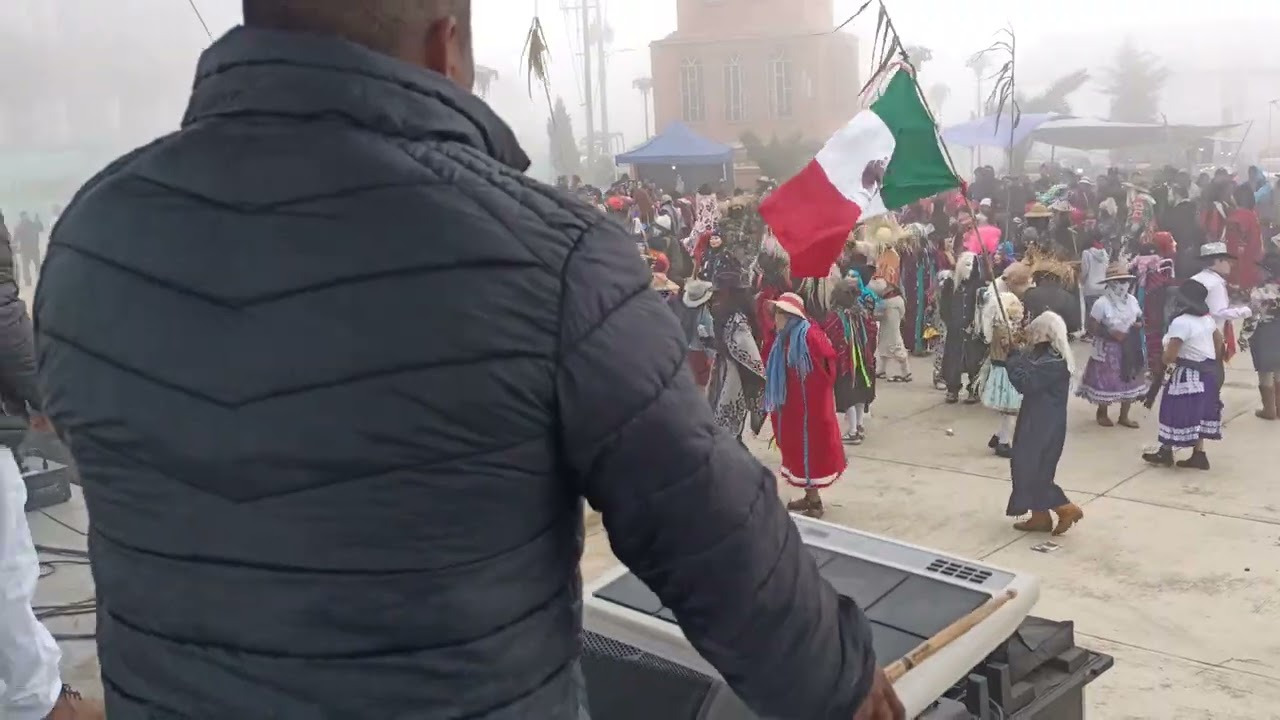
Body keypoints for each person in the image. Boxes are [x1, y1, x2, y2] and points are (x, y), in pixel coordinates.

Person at [34, 3, 902, 718]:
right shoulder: (554, 258)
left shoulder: (92, 240)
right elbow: (707, 526)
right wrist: (843, 685)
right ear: (445, 45)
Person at [765, 292, 847, 519]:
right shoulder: (783, 337)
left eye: (780, 313)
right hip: (791, 408)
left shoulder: (809, 336)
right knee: (798, 450)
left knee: (811, 450)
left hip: (809, 409)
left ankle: (815, 503)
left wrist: (811, 393)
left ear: (790, 315)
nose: (776, 317)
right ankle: (810, 497)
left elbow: (827, 366)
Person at [1005, 311, 1083, 535]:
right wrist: (1016, 352)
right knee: (1033, 468)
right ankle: (1040, 517)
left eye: (1035, 331)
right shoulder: (1048, 355)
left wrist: (1012, 360)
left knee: (1030, 468)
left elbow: (1026, 382)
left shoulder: (1053, 361)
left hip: (1042, 423)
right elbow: (1027, 363)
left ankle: (1065, 507)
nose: (1031, 335)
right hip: (1040, 418)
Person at [1143, 280, 1225, 470]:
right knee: (1199, 415)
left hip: (1188, 375)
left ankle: (1166, 451)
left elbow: (1170, 355)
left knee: (1173, 411)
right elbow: (1219, 344)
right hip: (1208, 374)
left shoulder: (1181, 322)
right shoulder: (1207, 319)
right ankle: (1199, 454)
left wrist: (1161, 361)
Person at [1076, 264, 1149, 428]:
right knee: (1107, 380)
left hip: (1130, 346)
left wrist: (1138, 325)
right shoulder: (1101, 303)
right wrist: (1111, 333)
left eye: (1125, 281)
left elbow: (1140, 318)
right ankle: (1102, 413)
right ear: (1111, 283)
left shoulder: (1132, 300)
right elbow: (1092, 326)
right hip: (1109, 348)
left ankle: (1124, 416)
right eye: (1119, 281)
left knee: (1130, 378)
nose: (1123, 285)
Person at [707, 271, 766, 442]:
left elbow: (745, 351)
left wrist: (718, 345)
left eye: (719, 293)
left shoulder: (737, 319)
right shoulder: (727, 314)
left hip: (736, 371)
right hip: (725, 367)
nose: (715, 296)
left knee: (728, 410)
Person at [821, 275, 877, 445]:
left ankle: (852, 431)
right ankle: (859, 426)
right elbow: (872, 334)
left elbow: (831, 339)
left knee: (848, 396)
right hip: (863, 362)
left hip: (846, 364)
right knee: (860, 394)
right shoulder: (862, 313)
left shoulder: (835, 317)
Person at [1191, 242, 1253, 369]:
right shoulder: (1215, 284)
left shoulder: (1196, 279)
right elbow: (1219, 313)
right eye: (1226, 260)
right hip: (1211, 336)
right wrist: (1247, 310)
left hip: (1194, 334)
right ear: (1217, 261)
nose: (1230, 264)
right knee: (1214, 375)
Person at [978, 291, 1025, 457]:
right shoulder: (1003, 328)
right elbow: (1010, 349)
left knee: (1010, 411)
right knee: (1012, 410)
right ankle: (1004, 443)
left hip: (1002, 369)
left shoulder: (1002, 326)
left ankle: (999, 437)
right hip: (1006, 372)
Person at [1241, 253, 1280, 419]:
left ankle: (1269, 409)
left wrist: (1244, 336)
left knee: (1265, 370)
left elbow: (1253, 316)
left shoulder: (1260, 292)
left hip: (1265, 332)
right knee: (1279, 368)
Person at [870, 277, 911, 382]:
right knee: (884, 342)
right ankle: (881, 370)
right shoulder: (899, 299)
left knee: (894, 341)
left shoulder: (889, 301)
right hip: (891, 315)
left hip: (891, 315)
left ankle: (906, 372)